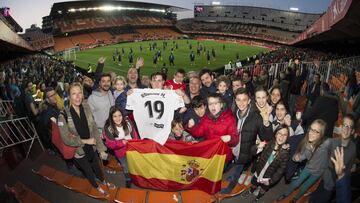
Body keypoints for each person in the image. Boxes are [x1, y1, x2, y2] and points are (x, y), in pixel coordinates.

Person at [57, 82, 114, 196]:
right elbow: (66, 139)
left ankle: (102, 180)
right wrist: (85, 141)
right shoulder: (62, 116)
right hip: (79, 150)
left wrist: (101, 148)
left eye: (79, 93)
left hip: (91, 146)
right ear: (69, 96)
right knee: (88, 170)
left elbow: (93, 129)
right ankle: (96, 185)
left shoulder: (86, 107)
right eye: (74, 94)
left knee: (96, 165)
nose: (77, 97)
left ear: (83, 94)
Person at [220, 87, 273, 194]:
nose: (241, 103)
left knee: (237, 171)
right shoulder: (234, 114)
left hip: (245, 152)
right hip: (233, 149)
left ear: (249, 101)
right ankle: (231, 177)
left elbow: (266, 137)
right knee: (231, 166)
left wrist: (267, 123)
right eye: (238, 100)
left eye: (244, 100)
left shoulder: (256, 117)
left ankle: (230, 186)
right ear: (235, 100)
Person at [277, 119, 328, 203]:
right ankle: (286, 194)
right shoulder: (307, 143)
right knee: (296, 183)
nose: (311, 133)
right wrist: (296, 158)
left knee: (305, 187)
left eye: (316, 131)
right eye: (311, 129)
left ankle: (296, 198)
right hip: (309, 167)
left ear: (321, 134)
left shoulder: (325, 146)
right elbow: (303, 156)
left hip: (318, 172)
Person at [309, 115, 357, 203]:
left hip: (332, 187)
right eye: (344, 125)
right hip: (321, 180)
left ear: (352, 131)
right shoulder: (332, 142)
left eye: (349, 127)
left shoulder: (353, 148)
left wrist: (346, 172)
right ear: (341, 127)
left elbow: (351, 166)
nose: (346, 129)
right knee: (312, 199)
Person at [242, 124, 290, 202]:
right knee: (254, 183)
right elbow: (253, 152)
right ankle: (251, 190)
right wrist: (259, 147)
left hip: (268, 177)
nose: (281, 137)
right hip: (259, 171)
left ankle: (257, 198)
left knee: (263, 189)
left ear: (287, 137)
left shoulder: (285, 153)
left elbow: (281, 171)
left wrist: (271, 181)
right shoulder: (268, 143)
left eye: (284, 135)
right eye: (279, 133)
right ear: (275, 134)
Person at [186, 93, 239, 162]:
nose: (213, 106)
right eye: (210, 104)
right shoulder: (206, 118)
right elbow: (198, 133)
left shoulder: (229, 119)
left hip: (223, 156)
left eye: (216, 103)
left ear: (221, 105)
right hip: (210, 153)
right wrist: (191, 127)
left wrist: (230, 138)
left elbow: (235, 140)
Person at [103, 106, 139, 188]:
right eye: (115, 116)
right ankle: (128, 179)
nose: (118, 118)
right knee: (125, 166)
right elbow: (110, 145)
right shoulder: (108, 129)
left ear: (122, 115)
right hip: (120, 152)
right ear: (111, 117)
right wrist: (121, 142)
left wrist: (136, 143)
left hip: (132, 149)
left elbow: (134, 133)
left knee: (134, 163)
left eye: (119, 115)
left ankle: (136, 176)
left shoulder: (128, 121)